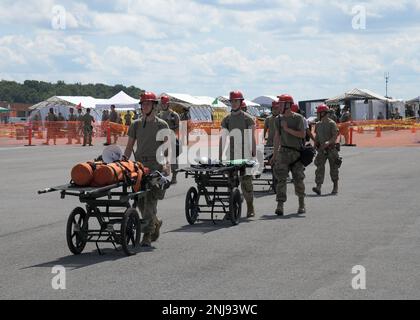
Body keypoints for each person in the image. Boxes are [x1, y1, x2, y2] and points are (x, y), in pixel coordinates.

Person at [123, 92, 171, 247]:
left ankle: (147, 235)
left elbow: (167, 148)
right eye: (143, 104)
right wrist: (123, 162)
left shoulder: (162, 125)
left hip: (156, 169)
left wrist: (167, 164)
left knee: (150, 203)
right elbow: (129, 146)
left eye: (148, 104)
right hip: (139, 169)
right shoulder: (136, 124)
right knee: (141, 203)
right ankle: (155, 224)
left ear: (154, 106)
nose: (145, 106)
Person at [219, 91, 257, 218]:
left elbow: (252, 138)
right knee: (231, 184)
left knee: (246, 184)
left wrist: (253, 155)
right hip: (232, 155)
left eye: (236, 101)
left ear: (241, 102)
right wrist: (220, 156)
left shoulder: (248, 118)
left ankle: (250, 207)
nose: (234, 103)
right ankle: (231, 210)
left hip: (245, 155)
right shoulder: (227, 119)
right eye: (232, 101)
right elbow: (223, 138)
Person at [271, 94, 306, 216]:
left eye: (281, 104)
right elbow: (277, 137)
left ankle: (301, 204)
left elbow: (302, 135)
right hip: (283, 153)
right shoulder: (278, 119)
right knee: (281, 179)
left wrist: (287, 129)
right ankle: (280, 205)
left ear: (288, 105)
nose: (279, 106)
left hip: (296, 153)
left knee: (298, 179)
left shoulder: (298, 118)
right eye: (279, 104)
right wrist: (274, 155)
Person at [312, 105, 341, 196]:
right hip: (321, 150)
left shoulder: (332, 123)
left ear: (323, 113)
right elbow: (317, 136)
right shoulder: (318, 124)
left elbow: (335, 136)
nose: (317, 115)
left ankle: (335, 186)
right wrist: (315, 144)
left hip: (331, 149)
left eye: (318, 113)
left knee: (334, 168)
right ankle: (318, 187)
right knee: (319, 168)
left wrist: (328, 142)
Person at [159, 95, 181, 184]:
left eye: (165, 104)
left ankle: (174, 177)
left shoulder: (174, 115)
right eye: (162, 104)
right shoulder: (159, 115)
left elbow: (177, 127)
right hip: (161, 139)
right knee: (161, 158)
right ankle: (162, 177)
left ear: (168, 104)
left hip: (171, 138)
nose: (163, 105)